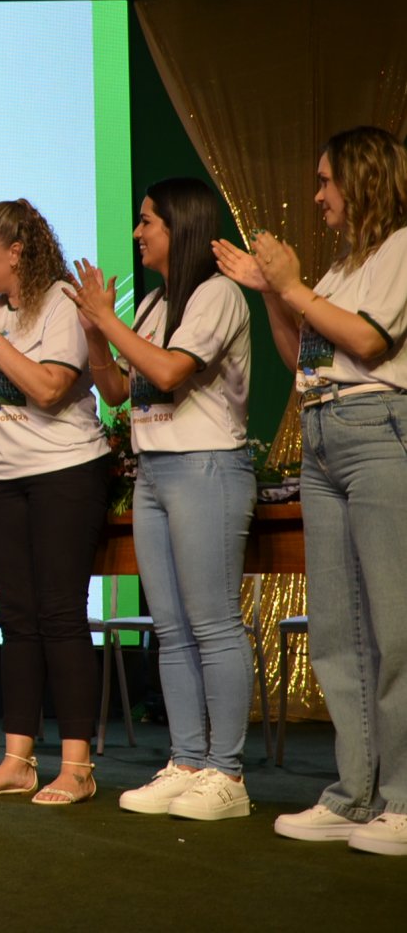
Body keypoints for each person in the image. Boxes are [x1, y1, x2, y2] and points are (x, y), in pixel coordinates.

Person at [215, 125, 407, 857]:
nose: (319, 195)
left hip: (379, 429)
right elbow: (304, 356)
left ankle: (402, 799)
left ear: (362, 180)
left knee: (394, 628)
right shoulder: (341, 268)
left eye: (326, 181)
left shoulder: (400, 248)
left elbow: (369, 343)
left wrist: (292, 286)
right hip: (324, 433)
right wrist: (275, 294)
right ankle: (355, 794)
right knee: (337, 628)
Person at [67, 179, 256, 820]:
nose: (137, 233)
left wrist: (107, 319)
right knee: (170, 629)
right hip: (153, 470)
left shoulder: (217, 294)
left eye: (148, 221)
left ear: (181, 226)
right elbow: (120, 391)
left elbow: (172, 371)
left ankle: (227, 772)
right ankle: (188, 759)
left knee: (213, 623)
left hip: (206, 466)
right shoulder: (153, 303)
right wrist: (97, 333)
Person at [0, 199, 110, 805]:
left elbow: (48, 389)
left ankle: (77, 766)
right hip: (5, 476)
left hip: (66, 471)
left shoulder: (61, 302)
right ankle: (17, 760)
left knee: (60, 615)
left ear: (15, 252)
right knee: (16, 619)